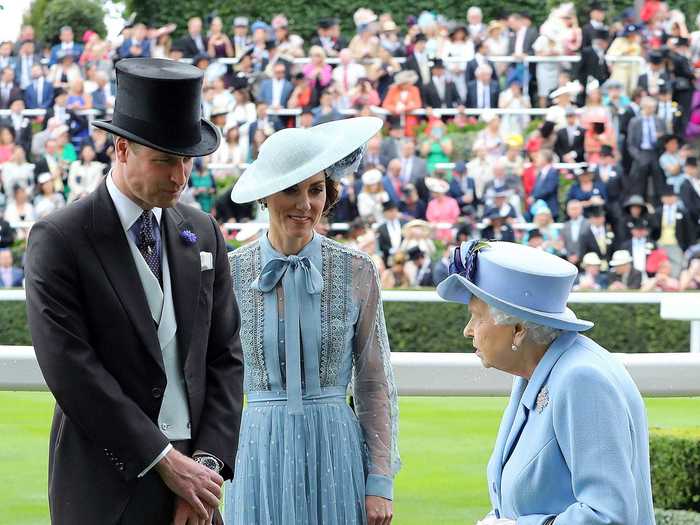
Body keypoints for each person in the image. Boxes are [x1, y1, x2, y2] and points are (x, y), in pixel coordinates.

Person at [24, 58, 244, 525]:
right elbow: (70, 370)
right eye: (164, 160)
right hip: (103, 486)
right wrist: (164, 460)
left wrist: (203, 469)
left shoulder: (203, 233)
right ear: (121, 150)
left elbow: (225, 356)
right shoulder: (61, 238)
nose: (180, 176)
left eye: (186, 159)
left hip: (196, 492)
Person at [227, 116, 400, 524]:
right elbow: (212, 380)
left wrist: (379, 481)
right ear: (266, 195)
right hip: (255, 451)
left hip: (336, 450)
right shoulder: (229, 271)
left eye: (316, 189)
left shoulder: (357, 270)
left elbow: (374, 382)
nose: (305, 204)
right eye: (290, 189)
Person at [438, 240, 655, 525]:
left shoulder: (582, 379)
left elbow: (609, 515)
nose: (467, 330)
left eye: (477, 317)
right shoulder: (537, 371)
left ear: (517, 330)